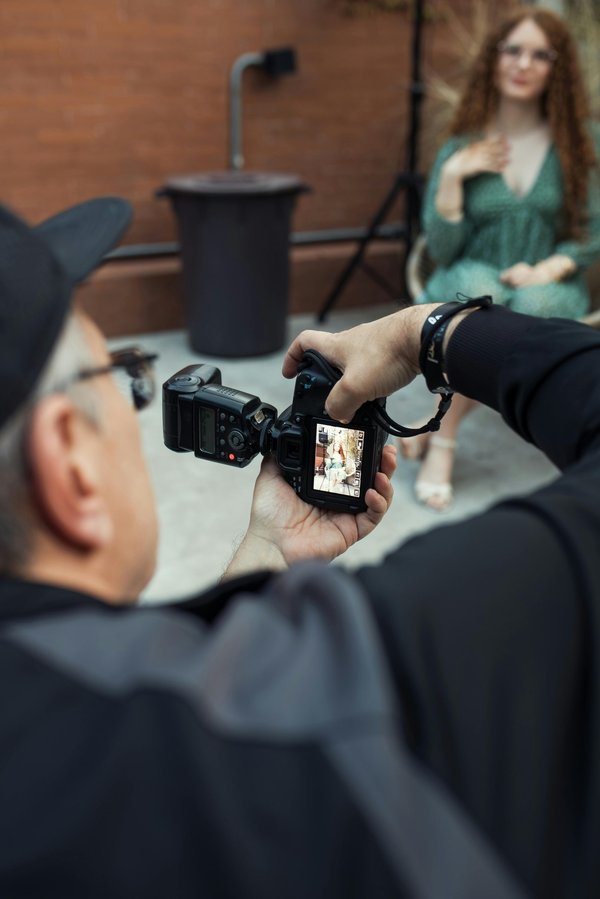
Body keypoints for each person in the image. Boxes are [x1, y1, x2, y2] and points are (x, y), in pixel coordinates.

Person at [2, 198, 600, 899]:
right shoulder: (328, 713)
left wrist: (268, 546)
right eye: (125, 379)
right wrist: (429, 333)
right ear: (68, 461)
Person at [401, 5, 600, 510]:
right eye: (513, 50)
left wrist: (548, 268)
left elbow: (592, 231)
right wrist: (452, 178)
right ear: (494, 59)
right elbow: (441, 249)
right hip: (470, 272)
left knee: (529, 308)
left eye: (540, 54)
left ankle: (438, 432)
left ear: (558, 70)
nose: (523, 63)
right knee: (473, 297)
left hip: (545, 276)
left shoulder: (580, 144)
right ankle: (442, 439)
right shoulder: (462, 144)